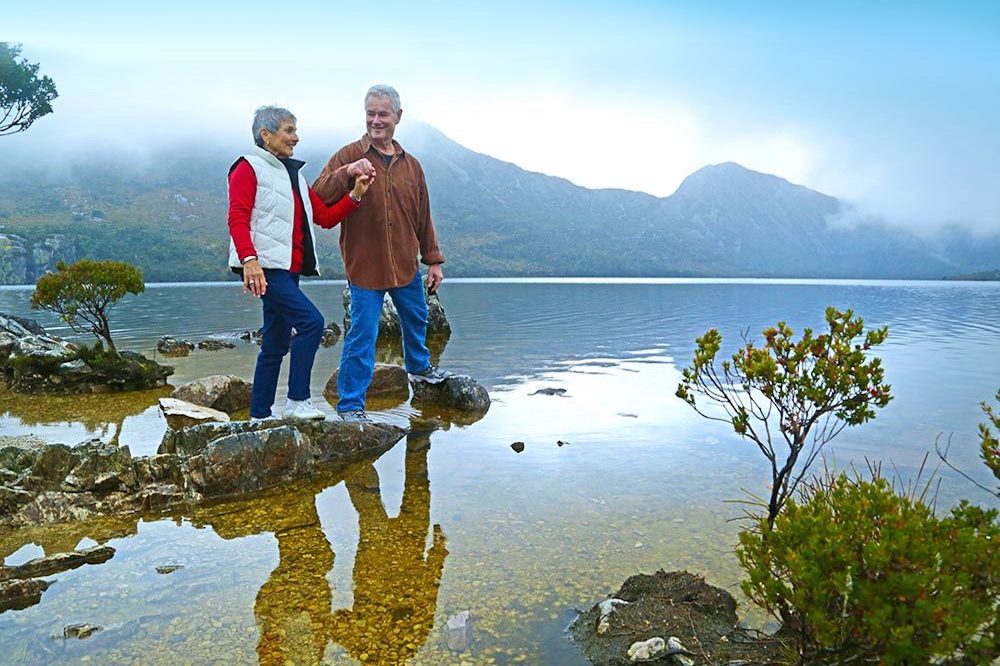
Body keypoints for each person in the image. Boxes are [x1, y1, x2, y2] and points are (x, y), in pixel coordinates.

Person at [313, 85, 452, 424]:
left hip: (405, 263)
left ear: (398, 117)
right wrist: (346, 173)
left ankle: (419, 369)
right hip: (365, 265)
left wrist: (432, 260)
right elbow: (317, 196)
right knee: (362, 336)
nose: (376, 120)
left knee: (417, 318)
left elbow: (423, 215)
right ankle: (349, 406)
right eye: (370, 114)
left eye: (383, 114)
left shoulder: (412, 167)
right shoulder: (348, 155)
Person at [228, 105, 372, 421]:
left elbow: (323, 217)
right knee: (311, 323)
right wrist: (249, 261)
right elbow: (237, 218)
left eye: (295, 130)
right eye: (289, 130)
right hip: (266, 269)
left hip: (289, 271)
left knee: (276, 343)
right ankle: (297, 401)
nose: (296, 137)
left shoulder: (293, 175)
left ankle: (259, 415)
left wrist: (356, 195)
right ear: (265, 135)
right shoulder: (247, 168)